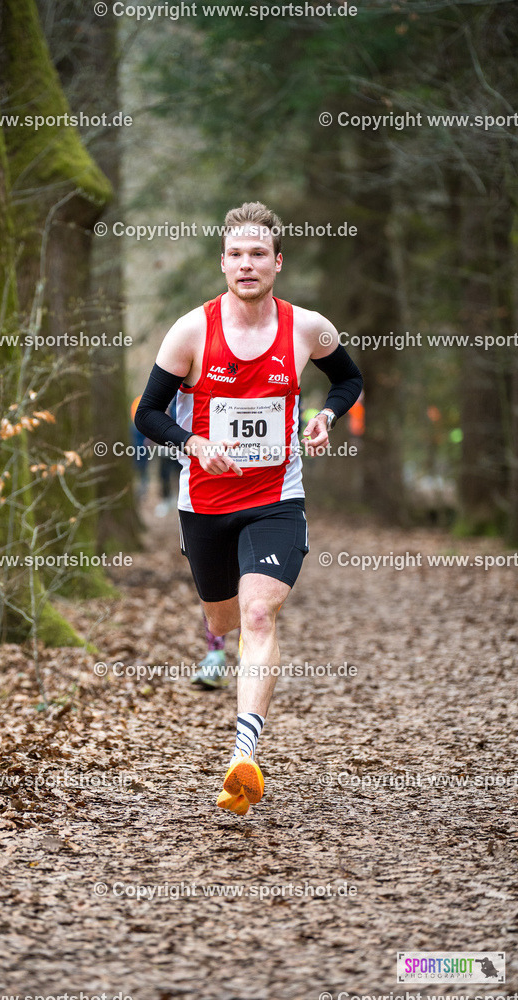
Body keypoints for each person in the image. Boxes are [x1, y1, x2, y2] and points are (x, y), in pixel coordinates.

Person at [134, 202, 362, 815]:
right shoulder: (191, 331)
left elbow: (349, 379)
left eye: (258, 253)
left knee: (260, 615)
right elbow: (147, 415)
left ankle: (244, 757)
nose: (247, 264)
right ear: (224, 262)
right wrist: (193, 443)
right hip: (205, 502)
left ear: (277, 262)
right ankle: (215, 642)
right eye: (236, 254)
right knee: (227, 618)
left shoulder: (306, 327)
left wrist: (325, 415)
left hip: (275, 499)